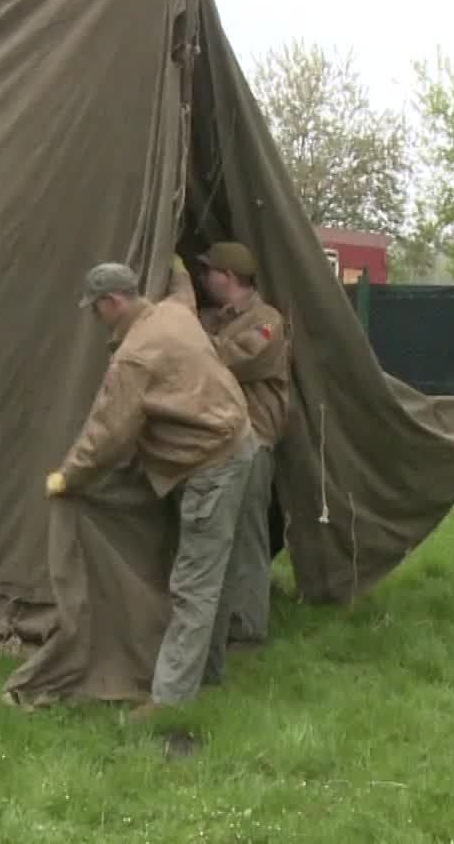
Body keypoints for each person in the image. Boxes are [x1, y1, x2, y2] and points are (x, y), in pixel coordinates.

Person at [46, 259, 256, 719]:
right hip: (238, 443)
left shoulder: (135, 357)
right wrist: (178, 267)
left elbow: (107, 432)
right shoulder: (174, 310)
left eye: (95, 308)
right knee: (213, 568)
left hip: (210, 463)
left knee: (193, 583)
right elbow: (183, 288)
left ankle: (170, 700)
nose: (95, 318)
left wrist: (68, 475)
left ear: (112, 301)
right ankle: (208, 671)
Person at [170, 241, 291, 646]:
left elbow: (231, 358)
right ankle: (219, 623)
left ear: (230, 276)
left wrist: (188, 335)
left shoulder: (266, 320)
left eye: (209, 272)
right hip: (215, 443)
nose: (204, 279)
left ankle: (246, 627)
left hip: (253, 440)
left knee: (245, 536)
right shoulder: (212, 319)